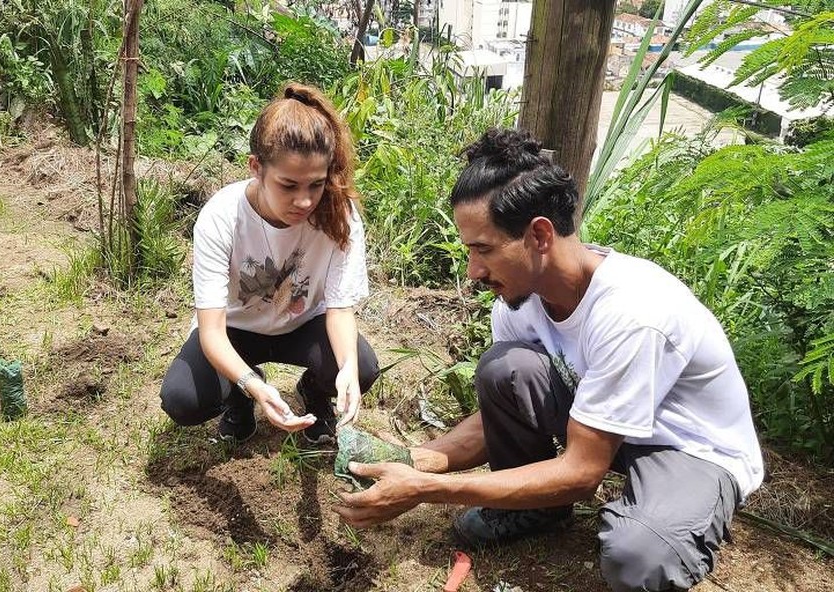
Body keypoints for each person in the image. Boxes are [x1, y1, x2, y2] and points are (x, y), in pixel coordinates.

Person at [334, 128, 764, 591]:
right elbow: (494, 416)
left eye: (483, 250)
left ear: (539, 235)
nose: (473, 271)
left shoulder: (633, 313)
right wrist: (418, 460)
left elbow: (582, 472)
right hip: (606, 426)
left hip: (688, 449)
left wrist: (430, 491)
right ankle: (534, 509)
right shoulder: (522, 301)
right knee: (504, 367)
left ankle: (663, 515)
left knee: (637, 557)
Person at [159, 82, 380, 446]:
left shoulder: (338, 216)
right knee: (182, 398)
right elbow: (211, 331)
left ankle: (314, 390)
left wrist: (349, 371)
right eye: (288, 185)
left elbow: (340, 309)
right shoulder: (222, 216)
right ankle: (239, 396)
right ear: (256, 168)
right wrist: (254, 386)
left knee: (363, 364)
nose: (305, 201)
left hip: (304, 325)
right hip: (236, 329)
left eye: (315, 185)